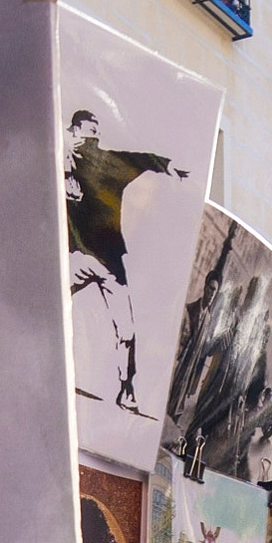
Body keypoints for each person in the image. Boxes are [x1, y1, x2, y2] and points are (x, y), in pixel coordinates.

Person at [65, 111, 188, 415]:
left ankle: (127, 388)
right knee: (48, 305)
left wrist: (168, 166)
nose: (92, 138)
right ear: (74, 131)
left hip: (109, 262)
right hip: (78, 256)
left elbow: (140, 159)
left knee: (126, 329)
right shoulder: (62, 159)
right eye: (87, 131)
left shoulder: (109, 164)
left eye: (96, 133)